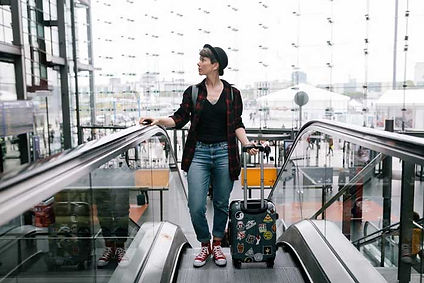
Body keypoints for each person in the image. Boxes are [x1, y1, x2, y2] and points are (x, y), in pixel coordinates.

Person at [139, 44, 258, 268]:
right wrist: (157, 120)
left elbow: (237, 124)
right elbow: (179, 118)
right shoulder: (193, 92)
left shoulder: (233, 94)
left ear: (215, 65)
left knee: (222, 203)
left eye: (203, 59)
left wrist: (246, 143)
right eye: (200, 59)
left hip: (225, 152)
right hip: (199, 153)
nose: (199, 63)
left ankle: (217, 244)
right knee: (195, 205)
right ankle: (204, 244)